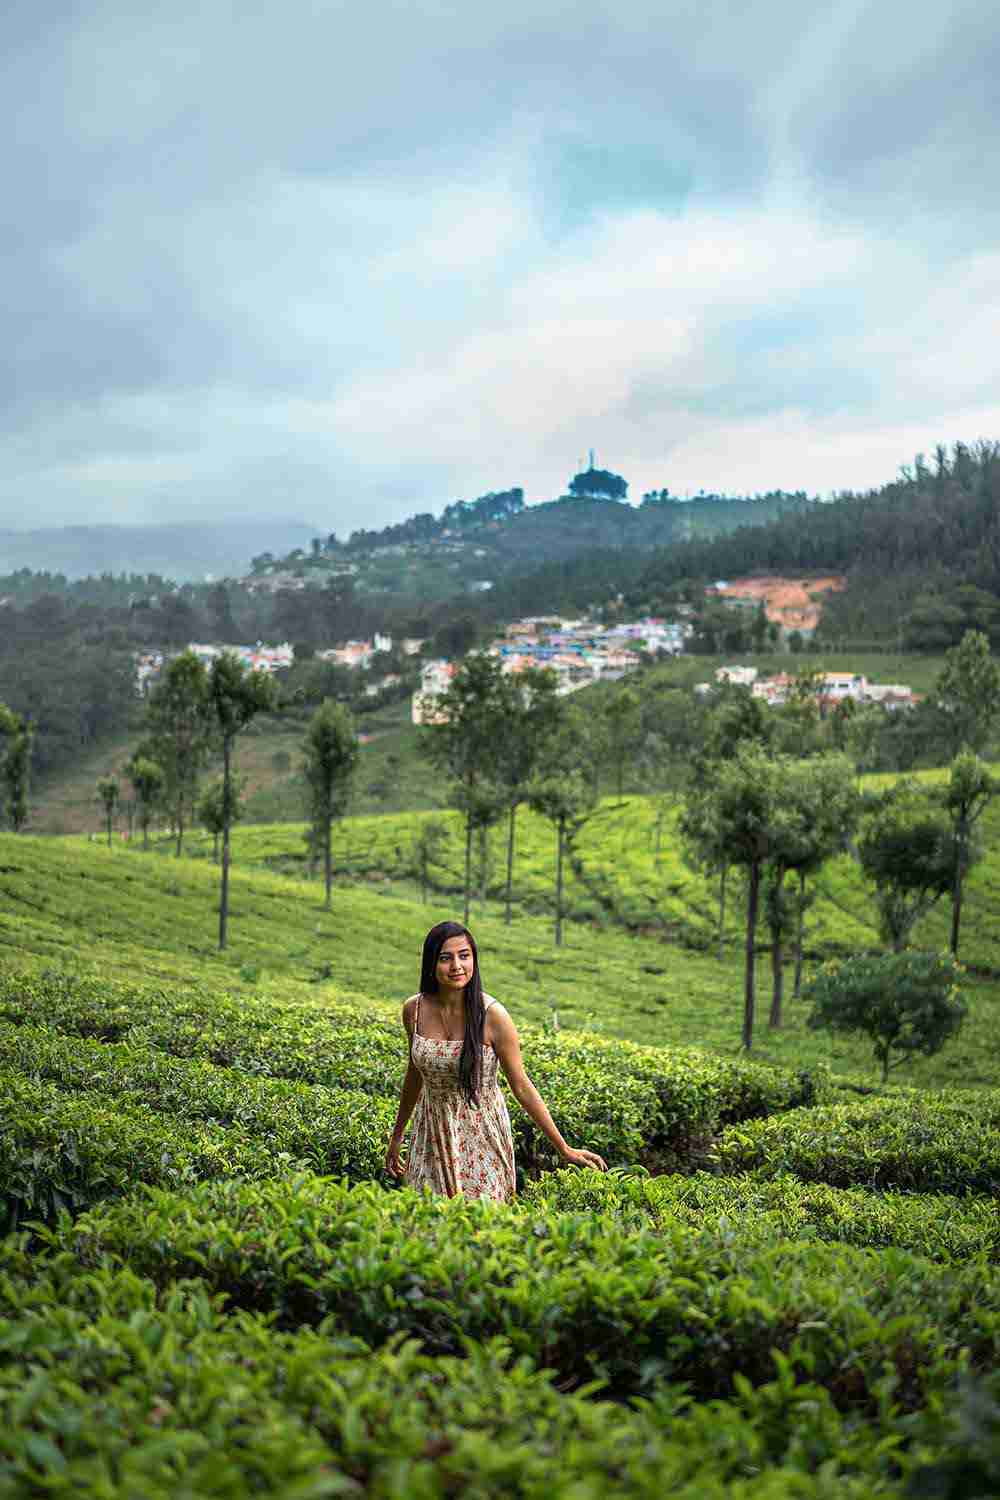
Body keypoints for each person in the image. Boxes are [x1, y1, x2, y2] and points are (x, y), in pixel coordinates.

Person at [385, 920, 607, 1199]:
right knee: (430, 1225)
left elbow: (521, 1085)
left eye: (464, 955)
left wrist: (563, 1147)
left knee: (482, 1225)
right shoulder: (413, 1010)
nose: (457, 966)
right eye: (446, 958)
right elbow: (415, 1074)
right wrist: (397, 1137)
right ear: (431, 963)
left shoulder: (493, 1016)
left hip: (481, 1134)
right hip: (430, 1134)